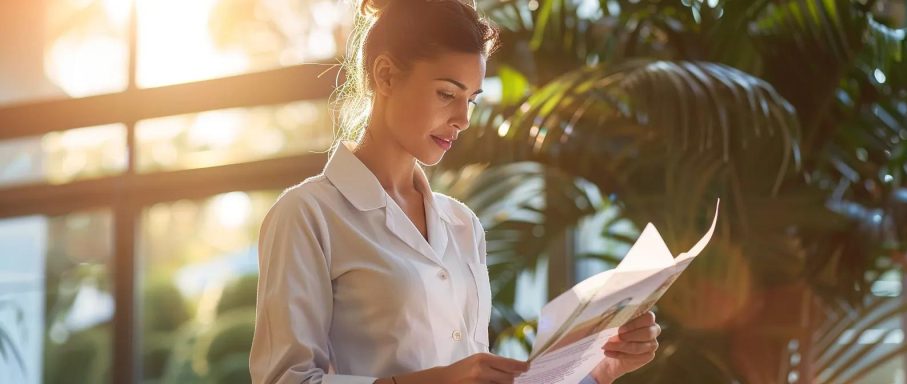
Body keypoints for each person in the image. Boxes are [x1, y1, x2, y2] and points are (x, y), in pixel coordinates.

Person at [248, 0, 661, 382]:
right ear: (386, 75)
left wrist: (600, 367)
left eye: (472, 100)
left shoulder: (462, 224)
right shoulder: (307, 215)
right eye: (447, 94)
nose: (463, 119)